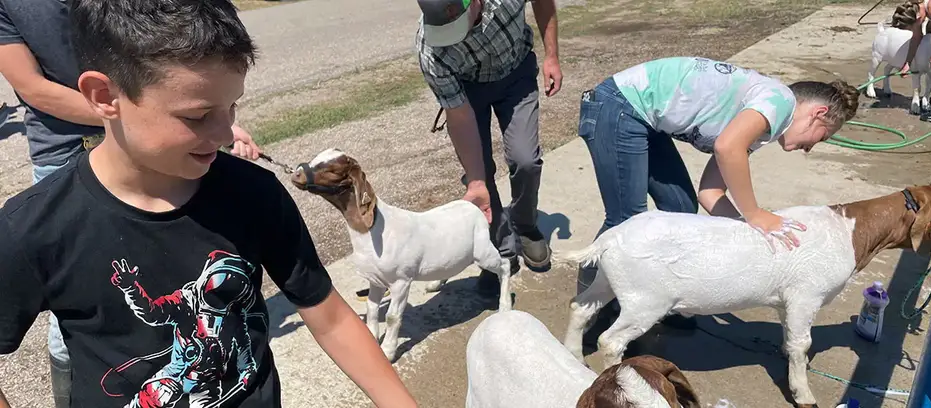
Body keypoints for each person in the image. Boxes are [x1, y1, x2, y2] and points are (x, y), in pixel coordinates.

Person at [0, 1, 418, 407]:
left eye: (232, 107)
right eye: (198, 117)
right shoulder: (33, 229)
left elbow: (330, 316)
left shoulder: (256, 194)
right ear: (104, 95)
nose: (224, 134)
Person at [0, 1, 263, 406]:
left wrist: (202, 116)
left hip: (151, 118)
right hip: (76, 145)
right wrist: (141, 114)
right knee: (73, 311)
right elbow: (32, 88)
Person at [575, 56, 860, 334]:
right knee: (627, 220)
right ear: (818, 114)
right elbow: (727, 148)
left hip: (642, 119)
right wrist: (755, 213)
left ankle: (661, 300)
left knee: (680, 204)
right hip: (618, 106)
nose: (811, 148)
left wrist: (751, 231)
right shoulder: (780, 102)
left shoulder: (762, 124)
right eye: (822, 137)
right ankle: (591, 310)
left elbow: (710, 193)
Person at [415, 0, 562, 296]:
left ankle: (524, 225)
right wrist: (477, 179)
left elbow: (543, 2)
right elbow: (458, 115)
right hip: (469, 92)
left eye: (457, 24)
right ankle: (500, 249)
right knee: (479, 173)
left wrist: (552, 57)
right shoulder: (430, 50)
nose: (454, 36)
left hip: (516, 73)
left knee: (526, 160)